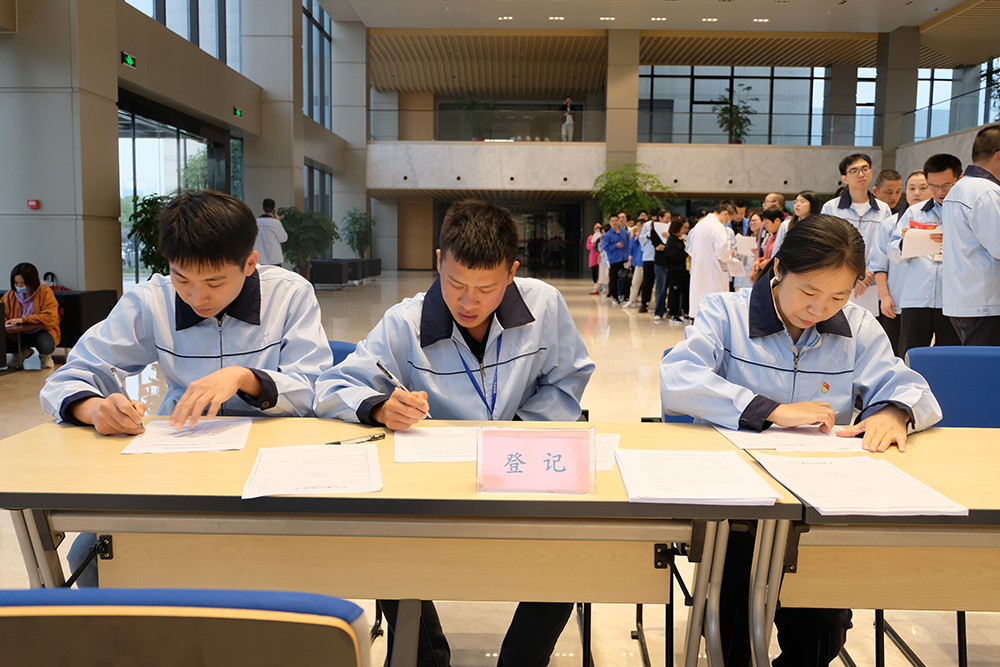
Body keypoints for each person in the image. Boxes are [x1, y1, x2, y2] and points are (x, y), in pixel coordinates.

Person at [313, 198, 595, 667]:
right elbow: (332, 386)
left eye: (486, 289)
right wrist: (380, 406)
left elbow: (568, 381)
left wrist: (517, 432)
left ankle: (522, 660)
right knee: (381, 540)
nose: (468, 303)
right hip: (433, 483)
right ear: (438, 261)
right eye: (455, 284)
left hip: (520, 469)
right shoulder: (405, 323)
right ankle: (427, 657)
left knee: (574, 547)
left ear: (511, 273)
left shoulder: (545, 306)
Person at [660, 214, 942, 667]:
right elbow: (678, 378)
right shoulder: (725, 313)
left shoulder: (857, 327)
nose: (819, 309)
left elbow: (911, 388)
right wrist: (768, 409)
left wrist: (894, 411)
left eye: (838, 296)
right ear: (778, 269)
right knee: (732, 629)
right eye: (809, 292)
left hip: (820, 508)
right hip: (737, 508)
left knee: (822, 633)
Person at [40, 190, 334, 587]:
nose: (197, 297)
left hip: (274, 464)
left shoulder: (289, 295)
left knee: (298, 554)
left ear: (250, 263)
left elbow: (315, 388)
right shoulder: (151, 301)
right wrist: (94, 409)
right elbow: (69, 376)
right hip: (182, 458)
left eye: (214, 281)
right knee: (90, 557)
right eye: (182, 278)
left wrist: (245, 378)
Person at [888, 155, 962, 356]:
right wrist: (906, 241)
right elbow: (893, 252)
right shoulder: (914, 212)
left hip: (953, 299)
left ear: (959, 179)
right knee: (911, 354)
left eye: (946, 185)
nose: (940, 192)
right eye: (933, 186)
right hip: (916, 298)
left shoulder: (965, 211)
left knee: (950, 356)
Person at [942, 123, 1000, 345]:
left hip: (966, 299)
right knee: (988, 363)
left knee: (977, 360)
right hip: (985, 303)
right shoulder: (987, 191)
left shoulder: (960, 188)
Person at [820, 153, 894, 304]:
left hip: (872, 283)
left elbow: (885, 246)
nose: (861, 174)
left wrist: (870, 272)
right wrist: (856, 272)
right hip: (839, 279)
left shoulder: (883, 209)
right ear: (844, 178)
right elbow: (826, 246)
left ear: (871, 172)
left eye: (865, 169)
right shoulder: (831, 208)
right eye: (854, 171)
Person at [3, 262, 60, 369]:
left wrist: (24, 320)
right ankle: (21, 353)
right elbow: (3, 313)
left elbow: (50, 317)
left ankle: (45, 356)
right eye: (16, 283)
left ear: (32, 281)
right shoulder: (10, 295)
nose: (19, 286)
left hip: (41, 331)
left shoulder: (45, 292)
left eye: (22, 283)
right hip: (17, 333)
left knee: (45, 344)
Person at [686, 201, 735, 319]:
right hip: (714, 275)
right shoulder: (718, 227)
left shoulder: (699, 225)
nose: (728, 222)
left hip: (699, 272)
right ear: (725, 213)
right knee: (714, 312)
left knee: (700, 310)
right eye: (729, 219)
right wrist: (730, 253)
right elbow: (722, 254)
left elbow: (690, 250)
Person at [771, 190, 820, 257]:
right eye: (795, 202)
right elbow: (776, 250)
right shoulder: (786, 225)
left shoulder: (819, 225)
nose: (797, 204)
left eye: (802, 201)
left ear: (812, 204)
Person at [664, 215, 690, 324]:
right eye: (684, 228)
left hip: (684, 270)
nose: (685, 230)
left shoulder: (682, 239)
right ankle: (673, 314)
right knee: (675, 293)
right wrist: (686, 254)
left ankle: (684, 313)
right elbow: (673, 255)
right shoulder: (672, 240)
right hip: (675, 271)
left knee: (685, 292)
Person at [750, 207, 785, 282]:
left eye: (767, 223)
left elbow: (783, 257)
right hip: (767, 274)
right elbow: (766, 255)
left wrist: (768, 262)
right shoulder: (771, 236)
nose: (765, 226)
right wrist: (759, 260)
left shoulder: (784, 236)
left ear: (777, 221)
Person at [601, 213, 630, 305]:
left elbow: (628, 245)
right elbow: (605, 247)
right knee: (614, 279)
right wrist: (616, 245)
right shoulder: (608, 235)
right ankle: (615, 297)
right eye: (612, 221)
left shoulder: (624, 233)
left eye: (616, 220)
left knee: (626, 278)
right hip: (614, 259)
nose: (614, 222)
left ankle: (625, 296)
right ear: (610, 222)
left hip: (625, 259)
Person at [252, 198, 288, 266]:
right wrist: (278, 221)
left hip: (259, 259)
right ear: (273, 209)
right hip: (274, 259)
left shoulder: (255, 222)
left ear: (263, 208)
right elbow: (283, 238)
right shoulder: (275, 223)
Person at [638, 211, 656, 312]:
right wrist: (648, 236)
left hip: (661, 257)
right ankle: (644, 303)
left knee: (662, 283)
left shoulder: (667, 225)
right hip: (648, 256)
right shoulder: (647, 225)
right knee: (647, 281)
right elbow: (641, 239)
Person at [586, 222, 602, 293]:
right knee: (594, 269)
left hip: (600, 254)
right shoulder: (590, 237)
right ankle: (595, 282)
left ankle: (599, 283)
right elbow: (588, 246)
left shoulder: (602, 237)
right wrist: (593, 244)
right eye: (596, 228)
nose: (597, 230)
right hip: (593, 255)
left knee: (600, 270)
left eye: (599, 228)